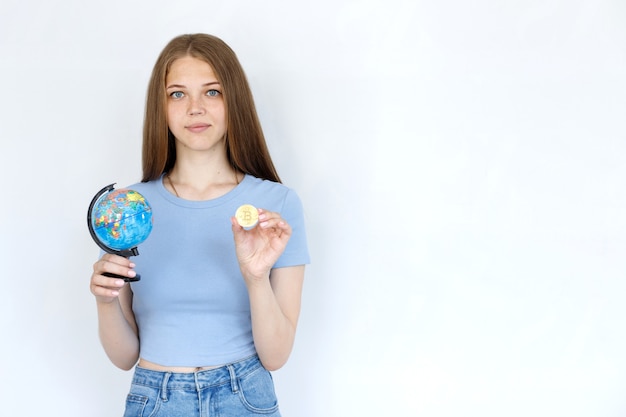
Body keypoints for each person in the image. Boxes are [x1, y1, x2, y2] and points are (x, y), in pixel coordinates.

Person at [90, 33, 309, 417]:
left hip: (246, 398)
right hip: (154, 399)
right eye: (177, 94)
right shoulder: (127, 209)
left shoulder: (277, 205)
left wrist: (255, 278)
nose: (195, 108)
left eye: (212, 92)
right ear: (161, 106)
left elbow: (276, 356)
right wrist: (104, 299)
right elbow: (123, 357)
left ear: (233, 101)